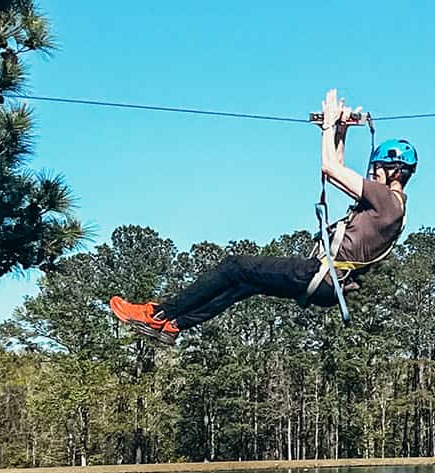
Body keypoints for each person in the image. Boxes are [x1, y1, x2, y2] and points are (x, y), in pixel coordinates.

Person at [110, 89, 416, 345]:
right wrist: (341, 131)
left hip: (320, 274)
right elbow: (338, 173)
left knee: (235, 265)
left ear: (393, 170)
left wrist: (327, 128)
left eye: (376, 169)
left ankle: (157, 314)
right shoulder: (394, 208)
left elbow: (329, 169)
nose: (371, 174)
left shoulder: (383, 199)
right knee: (246, 282)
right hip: (329, 286)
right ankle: (175, 325)